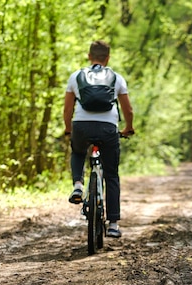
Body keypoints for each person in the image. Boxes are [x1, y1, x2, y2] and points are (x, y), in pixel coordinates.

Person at [64, 40, 134, 238]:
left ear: (89, 56)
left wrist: (69, 129)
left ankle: (78, 185)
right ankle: (113, 224)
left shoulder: (76, 76)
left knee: (78, 151)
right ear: (108, 58)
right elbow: (128, 109)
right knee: (111, 175)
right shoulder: (117, 78)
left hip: (81, 126)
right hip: (108, 128)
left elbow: (68, 109)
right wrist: (128, 127)